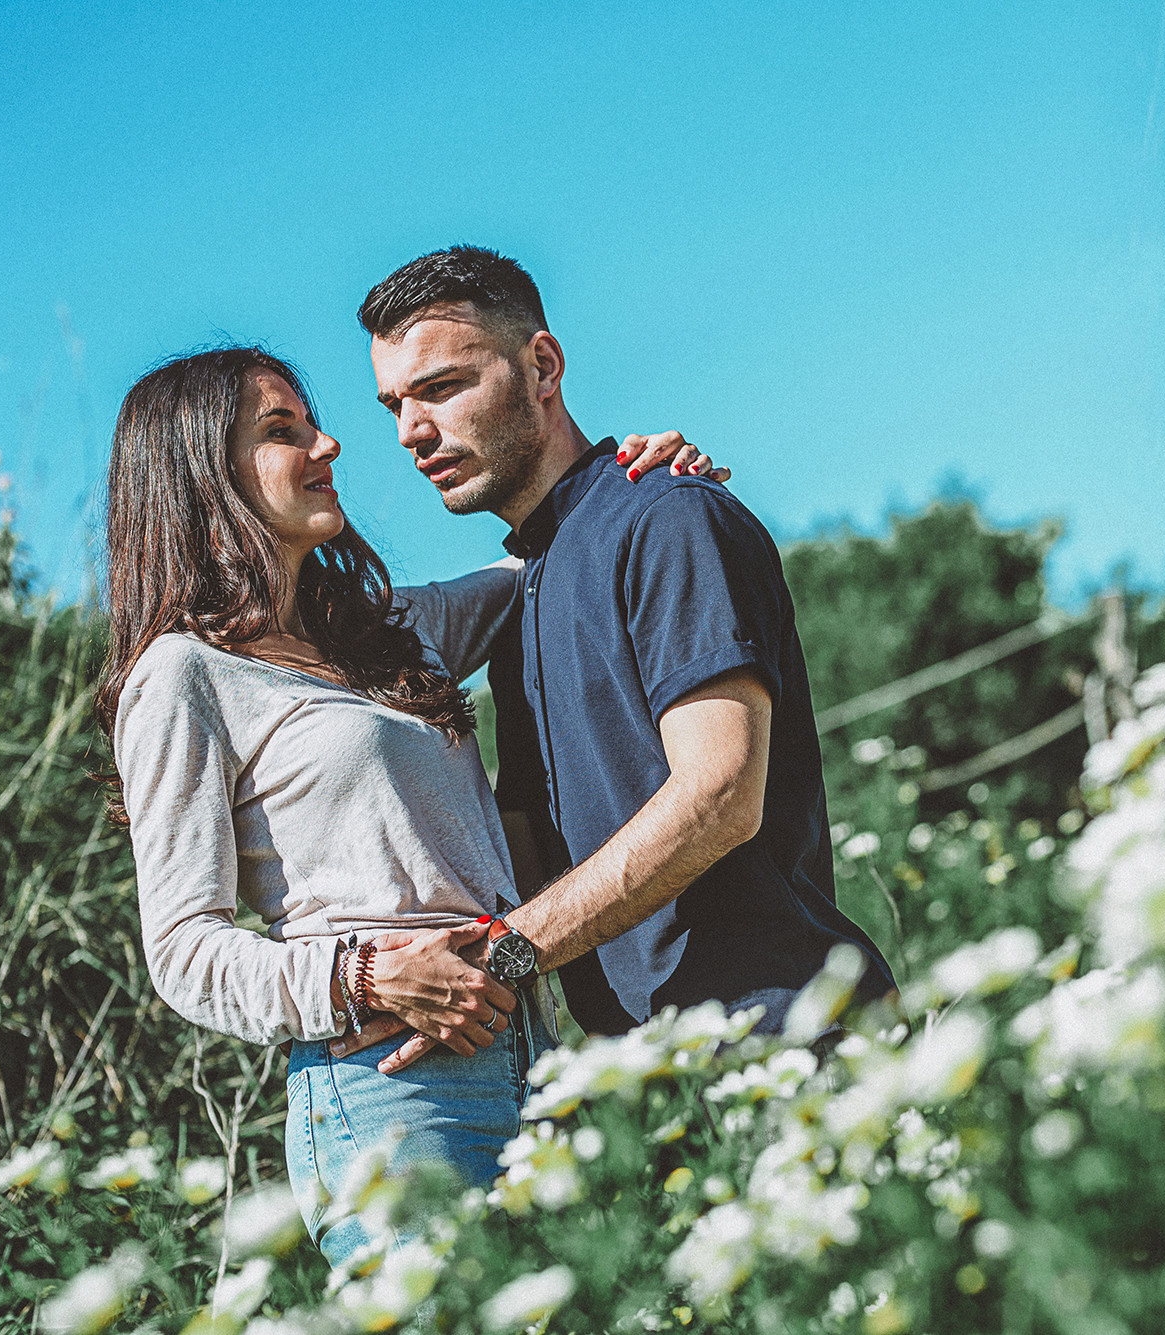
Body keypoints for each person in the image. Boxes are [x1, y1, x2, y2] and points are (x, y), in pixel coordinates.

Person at [94, 345, 722, 1265]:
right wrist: (363, 977)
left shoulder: (392, 636)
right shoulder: (184, 674)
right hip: (391, 1093)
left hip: (532, 1058)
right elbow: (183, 951)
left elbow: (547, 573)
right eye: (283, 433)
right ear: (199, 472)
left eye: (311, 424)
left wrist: (640, 484)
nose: (330, 445)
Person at [342, 246, 895, 1068]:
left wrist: (505, 952)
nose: (411, 432)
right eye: (393, 404)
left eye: (441, 387)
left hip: (782, 1042)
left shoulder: (668, 516)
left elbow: (721, 793)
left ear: (543, 365)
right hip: (645, 1079)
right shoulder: (526, 588)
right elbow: (525, 846)